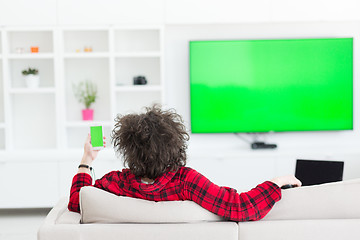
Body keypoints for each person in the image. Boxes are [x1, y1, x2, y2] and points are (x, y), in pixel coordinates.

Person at [68, 105, 301, 221]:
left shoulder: (116, 183)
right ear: (174, 144)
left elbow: (78, 202)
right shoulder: (186, 181)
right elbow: (239, 207)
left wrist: (87, 159)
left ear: (129, 148)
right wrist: (277, 181)